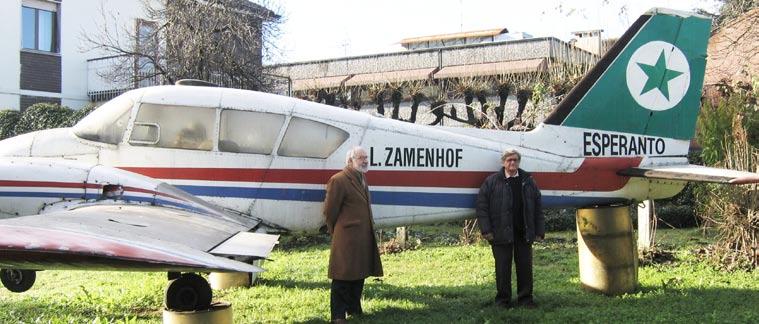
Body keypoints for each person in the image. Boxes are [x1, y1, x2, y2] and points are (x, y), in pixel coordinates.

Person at [476, 149, 544, 308]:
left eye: (515, 160)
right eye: (509, 160)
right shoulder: (492, 181)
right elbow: (481, 207)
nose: (512, 163)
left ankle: (526, 300)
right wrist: (486, 230)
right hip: (500, 233)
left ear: (519, 162)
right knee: (502, 269)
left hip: (524, 232)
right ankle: (502, 301)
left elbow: (538, 207)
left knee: (525, 269)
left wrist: (539, 230)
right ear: (503, 162)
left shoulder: (528, 181)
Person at [323, 146, 383, 323]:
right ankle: (338, 316)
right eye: (360, 158)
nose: (365, 160)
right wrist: (338, 231)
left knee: (359, 273)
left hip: (362, 236)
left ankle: (354, 309)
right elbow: (329, 211)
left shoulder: (361, 178)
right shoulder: (338, 180)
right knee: (342, 276)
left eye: (366, 157)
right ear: (350, 161)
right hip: (347, 237)